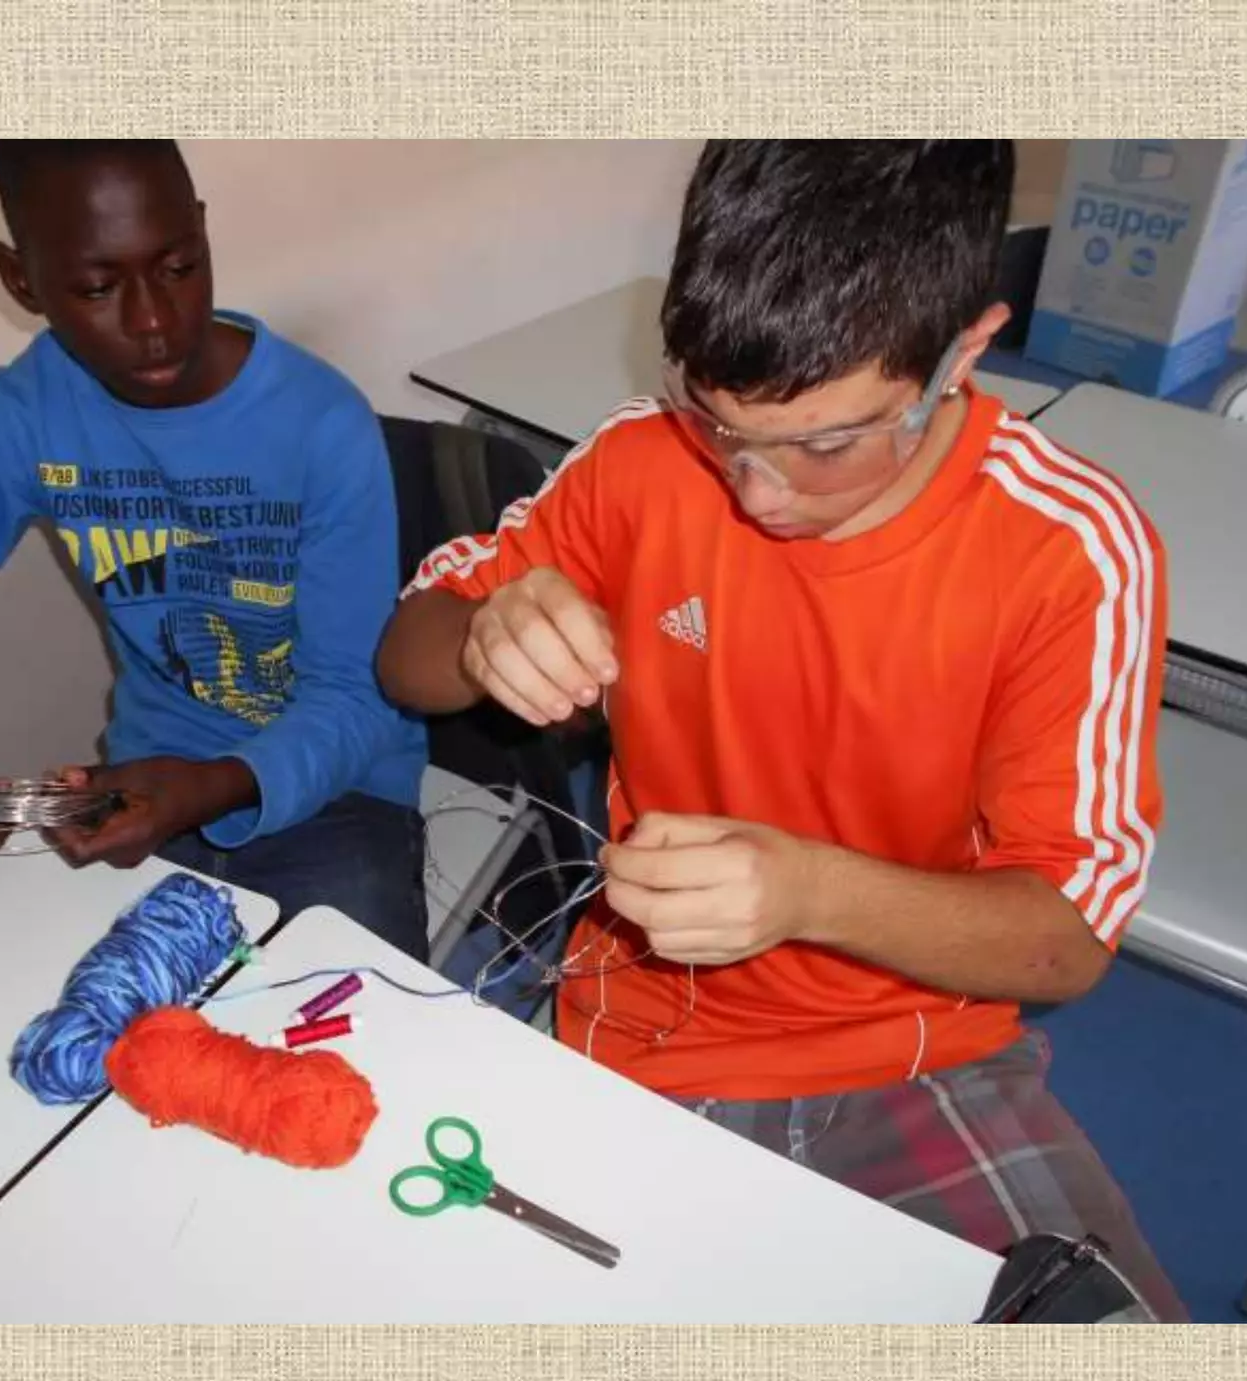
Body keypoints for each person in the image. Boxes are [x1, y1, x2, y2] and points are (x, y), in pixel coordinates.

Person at [376, 140, 1185, 1319]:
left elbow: (1066, 942)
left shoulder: (1067, 549)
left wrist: (809, 891)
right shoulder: (639, 465)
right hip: (645, 1031)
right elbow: (409, 661)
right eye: (714, 420)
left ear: (962, 352)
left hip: (918, 1049)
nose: (755, 494)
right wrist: (481, 635)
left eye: (822, 445)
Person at [0, 139, 428, 957]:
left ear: (204, 231)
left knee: (333, 1030)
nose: (151, 321)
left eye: (179, 266)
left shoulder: (321, 424)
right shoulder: (27, 418)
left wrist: (215, 786)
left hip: (335, 798)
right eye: (98, 287)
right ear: (21, 280)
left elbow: (356, 700)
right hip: (145, 787)